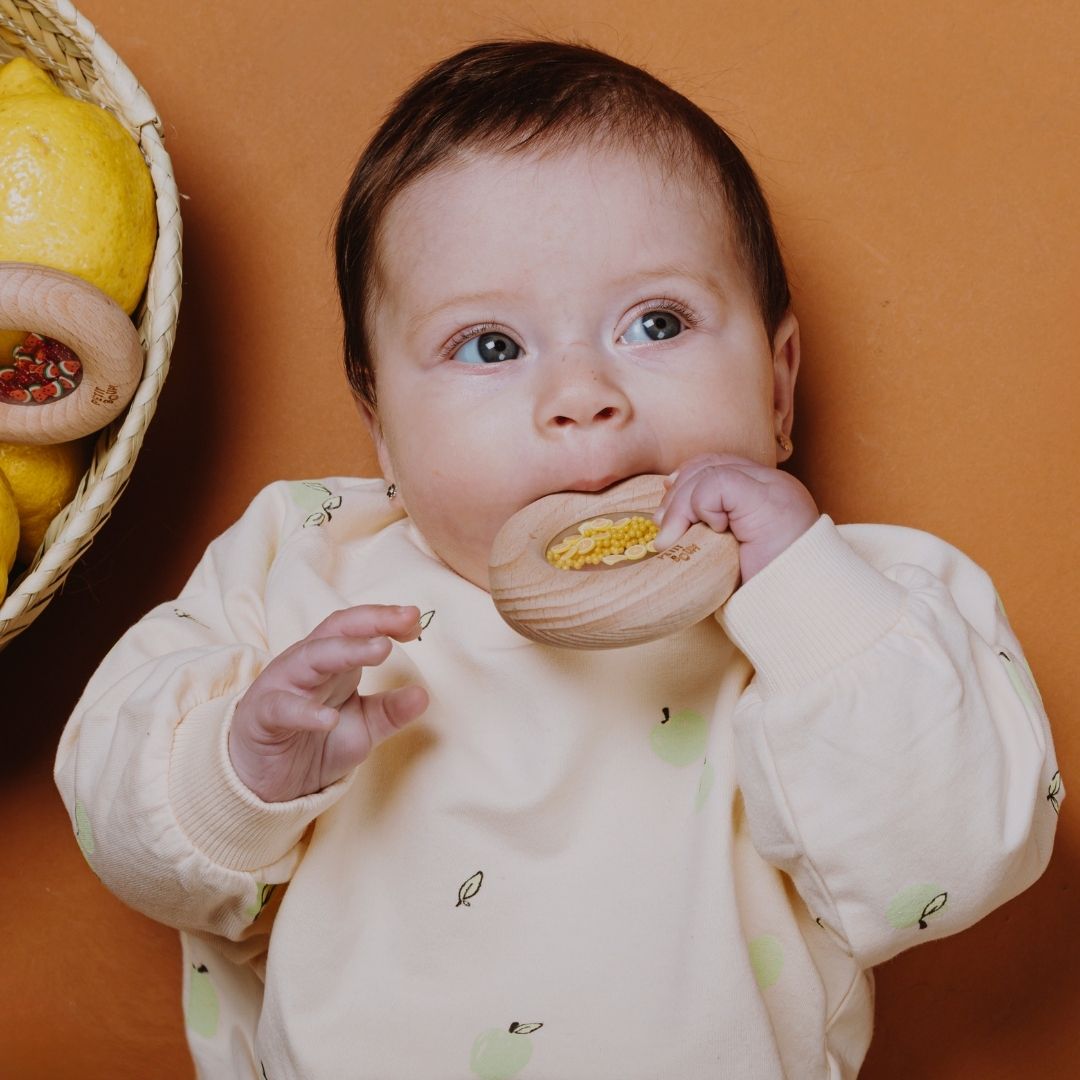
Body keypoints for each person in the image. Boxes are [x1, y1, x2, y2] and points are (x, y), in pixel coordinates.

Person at [55, 37, 1062, 1080]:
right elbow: (121, 825)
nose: (582, 395)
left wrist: (805, 594)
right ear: (383, 430)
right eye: (491, 346)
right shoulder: (307, 560)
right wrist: (238, 772)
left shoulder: (848, 608)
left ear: (777, 383)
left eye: (656, 322)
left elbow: (953, 864)